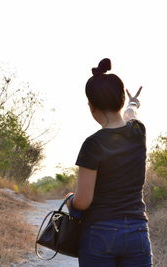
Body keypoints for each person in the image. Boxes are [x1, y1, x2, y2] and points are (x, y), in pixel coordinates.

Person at [65, 58, 153, 266]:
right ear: (120, 100)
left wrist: (69, 198)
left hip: (99, 234)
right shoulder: (138, 131)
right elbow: (130, 115)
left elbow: (83, 201)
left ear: (91, 106)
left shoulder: (92, 144)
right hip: (137, 232)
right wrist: (133, 103)